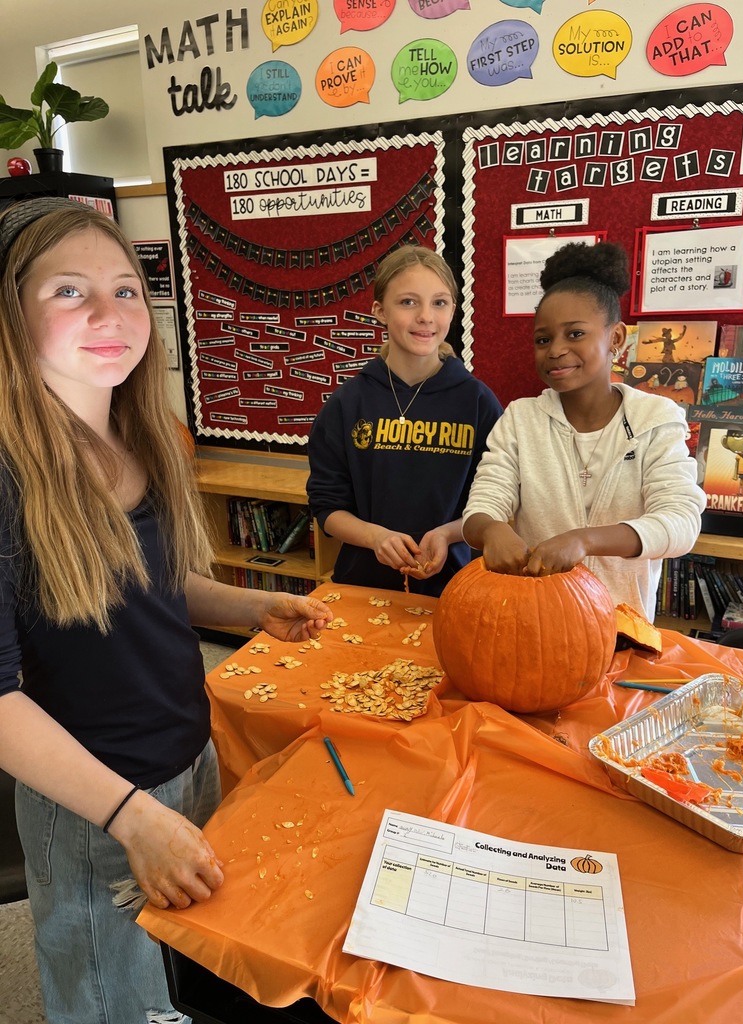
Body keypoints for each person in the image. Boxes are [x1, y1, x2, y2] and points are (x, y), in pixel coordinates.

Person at [0, 197, 333, 1024]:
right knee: (109, 998)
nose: (111, 314)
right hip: (93, 802)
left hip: (187, 758)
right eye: (69, 292)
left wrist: (247, 604)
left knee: (184, 968)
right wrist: (130, 816)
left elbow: (146, 585)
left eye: (124, 288)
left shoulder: (140, 434)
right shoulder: (7, 475)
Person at [463, 240, 706, 621]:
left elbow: (680, 523)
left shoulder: (657, 419)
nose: (556, 349)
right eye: (543, 340)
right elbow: (482, 506)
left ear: (616, 338)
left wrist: (583, 540)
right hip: (533, 623)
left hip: (623, 628)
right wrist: (492, 530)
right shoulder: (520, 419)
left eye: (575, 334)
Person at [307, 245, 502, 596]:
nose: (426, 316)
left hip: (457, 591)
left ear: (453, 311)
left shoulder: (477, 402)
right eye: (408, 302)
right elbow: (327, 508)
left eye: (439, 303)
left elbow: (497, 504)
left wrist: (446, 534)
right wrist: (375, 537)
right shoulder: (346, 404)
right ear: (379, 311)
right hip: (363, 587)